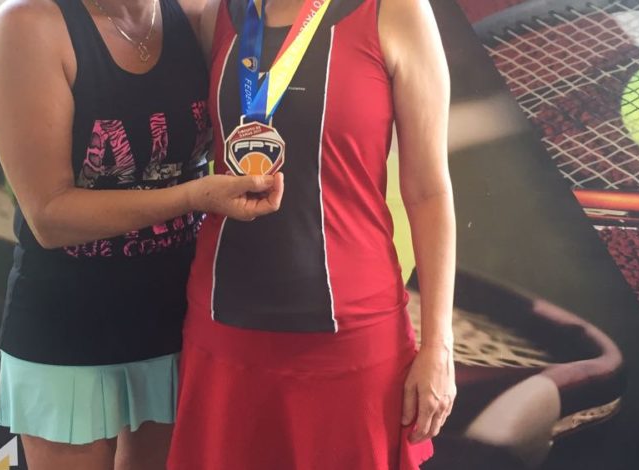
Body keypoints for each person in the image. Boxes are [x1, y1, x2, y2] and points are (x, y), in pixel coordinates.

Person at [0, 0, 283, 468]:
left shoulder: (195, 17)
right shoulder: (29, 25)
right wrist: (193, 197)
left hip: (175, 320)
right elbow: (50, 216)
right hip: (69, 328)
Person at [167, 0, 455, 467]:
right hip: (224, 332)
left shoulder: (395, 11)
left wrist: (439, 345)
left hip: (353, 340)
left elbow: (428, 192)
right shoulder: (219, 15)